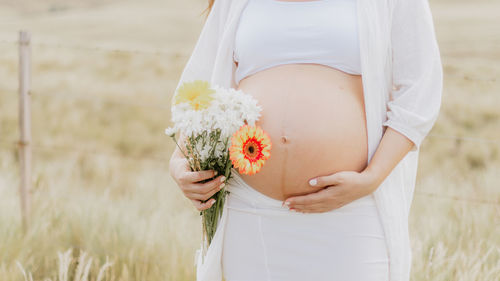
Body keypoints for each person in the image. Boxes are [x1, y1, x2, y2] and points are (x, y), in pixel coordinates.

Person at [168, 0, 443, 280]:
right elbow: (203, 82)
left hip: (348, 211)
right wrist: (179, 161)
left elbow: (420, 88)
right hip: (250, 213)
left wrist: (372, 178)